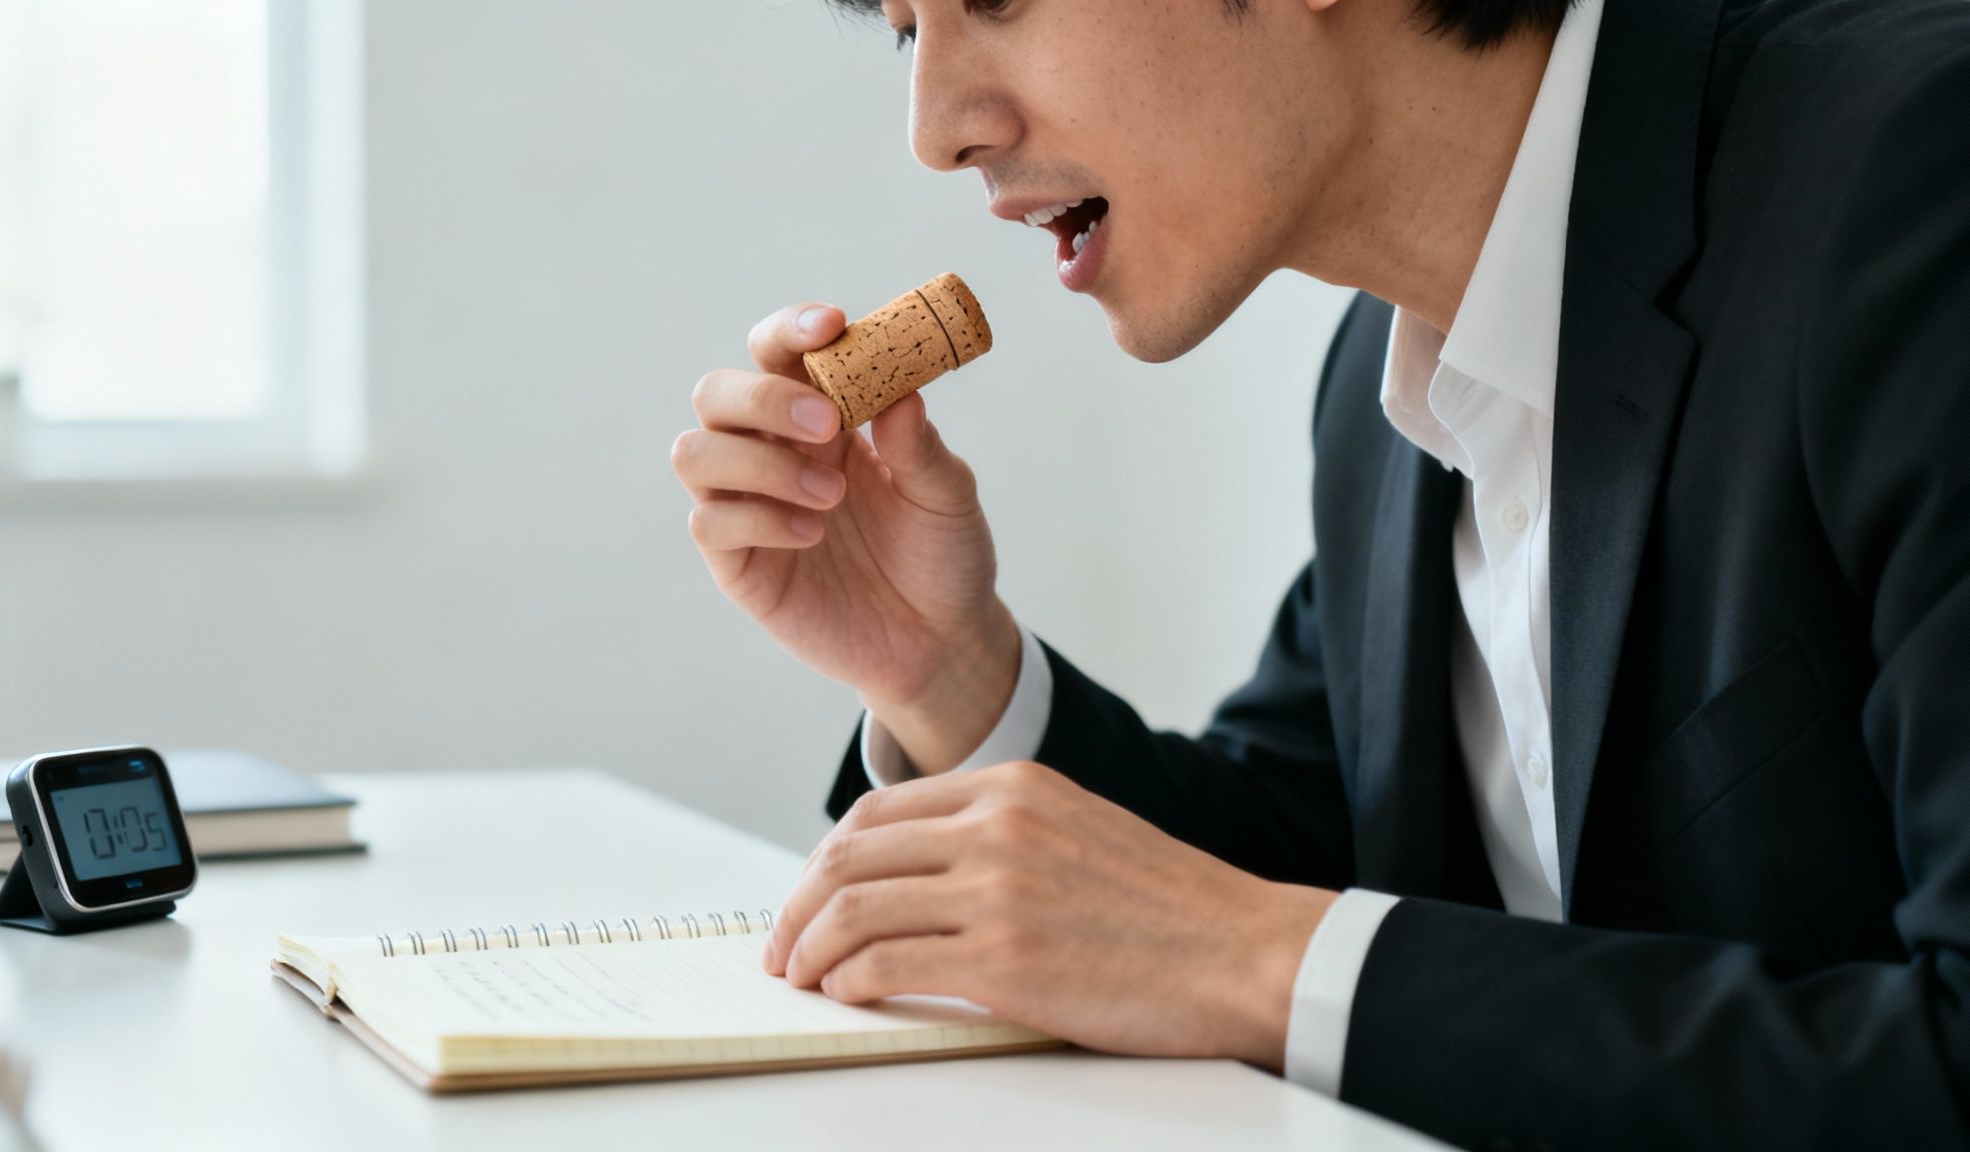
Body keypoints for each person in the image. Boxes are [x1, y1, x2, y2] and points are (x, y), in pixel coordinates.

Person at [670, 0, 1970, 1145]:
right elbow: (1290, 872)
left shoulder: (1920, 181)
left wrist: (1256, 961)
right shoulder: (1378, 393)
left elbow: (1263, 939)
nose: (935, 126)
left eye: (997, 0)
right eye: (908, 32)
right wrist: (946, 669)